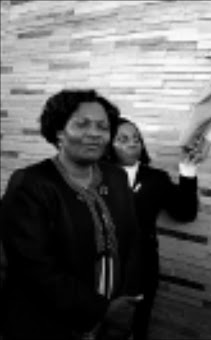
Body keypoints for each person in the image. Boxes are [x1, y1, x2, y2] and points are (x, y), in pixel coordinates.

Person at [0, 89, 143, 340]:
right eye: (82, 124)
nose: (94, 134)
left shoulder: (116, 177)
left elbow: (132, 243)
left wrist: (125, 303)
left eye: (103, 127)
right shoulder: (30, 183)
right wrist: (102, 310)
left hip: (110, 324)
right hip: (48, 324)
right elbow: (34, 268)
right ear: (59, 132)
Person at [104, 117, 199, 340]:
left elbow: (185, 213)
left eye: (137, 138)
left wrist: (188, 169)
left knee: (138, 322)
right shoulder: (95, 174)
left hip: (142, 264)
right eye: (123, 139)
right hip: (102, 262)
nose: (132, 143)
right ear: (109, 144)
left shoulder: (155, 178)